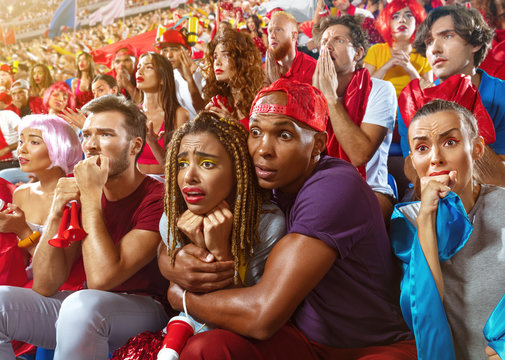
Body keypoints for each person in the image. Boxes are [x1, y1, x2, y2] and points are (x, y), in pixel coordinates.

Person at [160, 79, 415, 360]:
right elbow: (177, 224)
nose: (263, 149)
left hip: (372, 347)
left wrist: (182, 296)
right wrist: (173, 259)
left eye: (284, 135)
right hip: (304, 340)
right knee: (206, 350)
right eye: (255, 131)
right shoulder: (263, 178)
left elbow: (261, 316)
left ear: (317, 144)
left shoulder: (334, 186)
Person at [0, 95, 170, 359]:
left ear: (135, 146)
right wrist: (57, 209)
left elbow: (103, 279)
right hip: (82, 307)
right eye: (87, 134)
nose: (90, 145)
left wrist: (91, 197)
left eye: (105, 134)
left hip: (145, 307)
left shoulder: (157, 196)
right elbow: (45, 285)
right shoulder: (78, 187)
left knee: (81, 307)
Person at [111, 111, 286, 358]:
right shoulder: (171, 219)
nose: (189, 177)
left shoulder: (267, 223)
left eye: (207, 164)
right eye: (182, 164)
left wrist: (219, 250)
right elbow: (177, 296)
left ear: (238, 171)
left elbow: (243, 317)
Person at [391, 99, 505, 360]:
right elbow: (420, 310)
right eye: (422, 148)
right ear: (412, 162)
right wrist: (427, 215)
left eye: (450, 142)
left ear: (476, 148)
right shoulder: (407, 221)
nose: (436, 158)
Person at [398, 5, 505, 189]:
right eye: (429, 42)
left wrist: (459, 113)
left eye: (447, 36)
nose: (435, 49)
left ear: (475, 43)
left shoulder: (501, 95)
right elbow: (412, 171)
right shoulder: (413, 98)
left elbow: (501, 180)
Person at [313, 15, 397, 222]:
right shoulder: (310, 92)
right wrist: (316, 96)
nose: (328, 47)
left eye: (338, 40)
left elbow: (359, 154)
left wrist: (331, 98)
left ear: (358, 53)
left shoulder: (381, 90)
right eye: (324, 42)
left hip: (370, 189)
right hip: (321, 187)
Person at [0, 115, 82, 285]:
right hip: (26, 280)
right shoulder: (21, 193)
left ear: (59, 147)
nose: (21, 150)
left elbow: (57, 274)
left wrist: (23, 230)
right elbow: (21, 261)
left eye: (34, 142)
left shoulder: (76, 196)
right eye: (21, 141)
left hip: (65, 287)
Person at [363, 0, 432, 98]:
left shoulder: (425, 53)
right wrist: (387, 66)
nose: (402, 20)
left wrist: (411, 70)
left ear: (417, 23)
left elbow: (429, 94)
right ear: (387, 24)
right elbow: (364, 88)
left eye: (408, 15)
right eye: (395, 17)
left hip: (414, 111)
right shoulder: (376, 50)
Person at [136, 52, 189, 175]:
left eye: (148, 67)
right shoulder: (132, 113)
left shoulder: (179, 114)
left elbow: (176, 168)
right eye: (139, 67)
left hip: (165, 186)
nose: (140, 71)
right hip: (136, 187)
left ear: (162, 79)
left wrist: (153, 143)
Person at [203, 29, 264, 127]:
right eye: (215, 57)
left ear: (242, 60)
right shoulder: (222, 100)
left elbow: (261, 140)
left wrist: (231, 124)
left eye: (226, 55)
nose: (217, 62)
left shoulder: (261, 99)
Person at [156, 29, 206, 120]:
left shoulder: (205, 72)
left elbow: (203, 112)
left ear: (188, 52)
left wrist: (189, 80)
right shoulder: (173, 75)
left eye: (174, 49)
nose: (169, 55)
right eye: (165, 50)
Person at [264, 11, 317, 86]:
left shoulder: (312, 68)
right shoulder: (263, 69)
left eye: (278, 30)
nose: (272, 36)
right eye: (269, 31)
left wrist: (276, 84)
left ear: (294, 36)